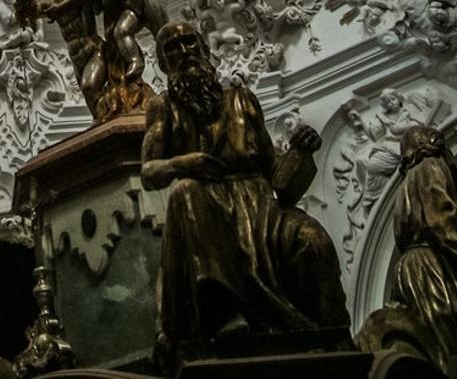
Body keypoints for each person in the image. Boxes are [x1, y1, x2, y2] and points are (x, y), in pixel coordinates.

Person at [141, 21, 348, 370]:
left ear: (204, 49)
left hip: (260, 207)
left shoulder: (241, 99)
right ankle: (224, 309)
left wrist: (300, 152)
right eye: (172, 48)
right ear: (162, 63)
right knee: (185, 192)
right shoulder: (162, 107)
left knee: (313, 240)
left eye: (189, 42)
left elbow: (277, 177)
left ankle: (336, 342)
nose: (184, 52)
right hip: (206, 207)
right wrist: (183, 163)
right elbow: (148, 172)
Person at [359, 125, 457, 370]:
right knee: (446, 337)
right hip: (430, 266)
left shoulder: (407, 180)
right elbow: (442, 220)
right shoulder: (431, 167)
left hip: (409, 267)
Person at [36, 0, 107, 118]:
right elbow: (35, 8)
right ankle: (100, 120)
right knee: (89, 98)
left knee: (90, 87)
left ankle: (106, 120)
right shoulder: (50, 2)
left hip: (94, 50)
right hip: (75, 57)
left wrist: (58, 9)